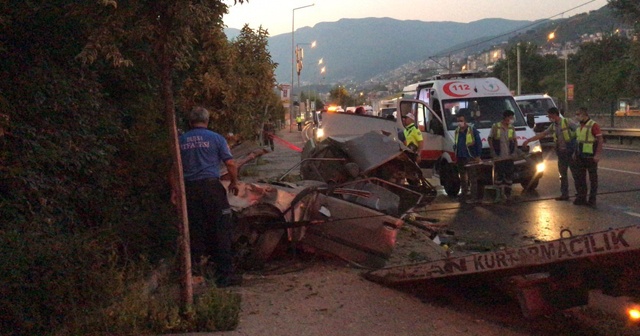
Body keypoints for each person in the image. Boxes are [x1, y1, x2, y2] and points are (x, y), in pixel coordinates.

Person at [170, 106, 242, 287]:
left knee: (195, 231)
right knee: (221, 229)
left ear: (190, 122)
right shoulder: (216, 138)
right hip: (211, 189)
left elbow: (173, 171)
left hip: (190, 191)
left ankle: (196, 274)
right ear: (207, 121)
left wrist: (175, 191)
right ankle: (224, 276)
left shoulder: (181, 140)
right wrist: (234, 182)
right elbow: (231, 165)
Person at [522, 107, 577, 201]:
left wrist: (577, 148)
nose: (548, 117)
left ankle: (580, 194)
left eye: (549, 115)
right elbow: (543, 134)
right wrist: (528, 140)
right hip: (561, 153)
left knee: (576, 174)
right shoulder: (553, 126)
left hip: (571, 152)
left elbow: (579, 131)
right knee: (562, 175)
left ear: (555, 114)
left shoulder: (567, 122)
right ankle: (564, 194)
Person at [572, 107, 603, 207]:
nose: (576, 116)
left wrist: (597, 154)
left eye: (578, 114)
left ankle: (592, 200)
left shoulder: (593, 125)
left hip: (590, 156)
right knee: (580, 178)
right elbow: (578, 141)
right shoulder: (579, 126)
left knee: (593, 179)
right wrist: (574, 153)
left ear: (584, 115)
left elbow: (600, 140)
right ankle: (582, 198)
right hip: (580, 156)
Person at [488, 110, 518, 202]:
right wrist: (493, 152)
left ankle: (508, 195)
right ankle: (499, 196)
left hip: (509, 157)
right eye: (511, 117)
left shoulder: (511, 128)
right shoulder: (496, 127)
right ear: (506, 117)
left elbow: (514, 141)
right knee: (499, 177)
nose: (512, 119)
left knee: (509, 177)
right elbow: (490, 139)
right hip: (499, 157)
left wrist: (514, 152)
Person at [453, 114, 482, 203]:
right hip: (460, 157)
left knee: (472, 177)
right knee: (462, 177)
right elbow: (456, 143)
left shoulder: (472, 130)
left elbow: (478, 143)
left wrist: (477, 155)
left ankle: (473, 197)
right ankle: (464, 195)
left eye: (461, 120)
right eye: (458, 121)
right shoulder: (457, 131)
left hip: (470, 157)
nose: (459, 122)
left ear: (465, 121)